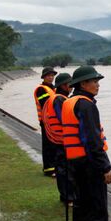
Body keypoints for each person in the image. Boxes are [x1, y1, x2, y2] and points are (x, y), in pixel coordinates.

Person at [62, 66, 111, 221]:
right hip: (90, 166)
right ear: (83, 84)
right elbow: (92, 141)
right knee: (97, 213)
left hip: (75, 164)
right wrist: (106, 167)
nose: (97, 84)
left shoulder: (69, 102)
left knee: (81, 212)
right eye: (94, 81)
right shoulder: (86, 106)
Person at [42, 72, 74, 204]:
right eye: (70, 84)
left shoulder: (56, 98)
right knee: (64, 169)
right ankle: (67, 197)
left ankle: (66, 196)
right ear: (64, 86)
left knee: (63, 168)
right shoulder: (60, 99)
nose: (72, 87)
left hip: (58, 138)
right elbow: (64, 120)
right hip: (62, 139)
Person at [34, 67, 57, 177]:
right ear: (44, 77)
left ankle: (54, 167)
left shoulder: (52, 88)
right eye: (48, 75)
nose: (51, 77)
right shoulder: (41, 89)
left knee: (53, 144)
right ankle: (48, 169)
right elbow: (46, 104)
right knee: (48, 145)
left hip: (52, 121)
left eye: (52, 75)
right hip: (46, 121)